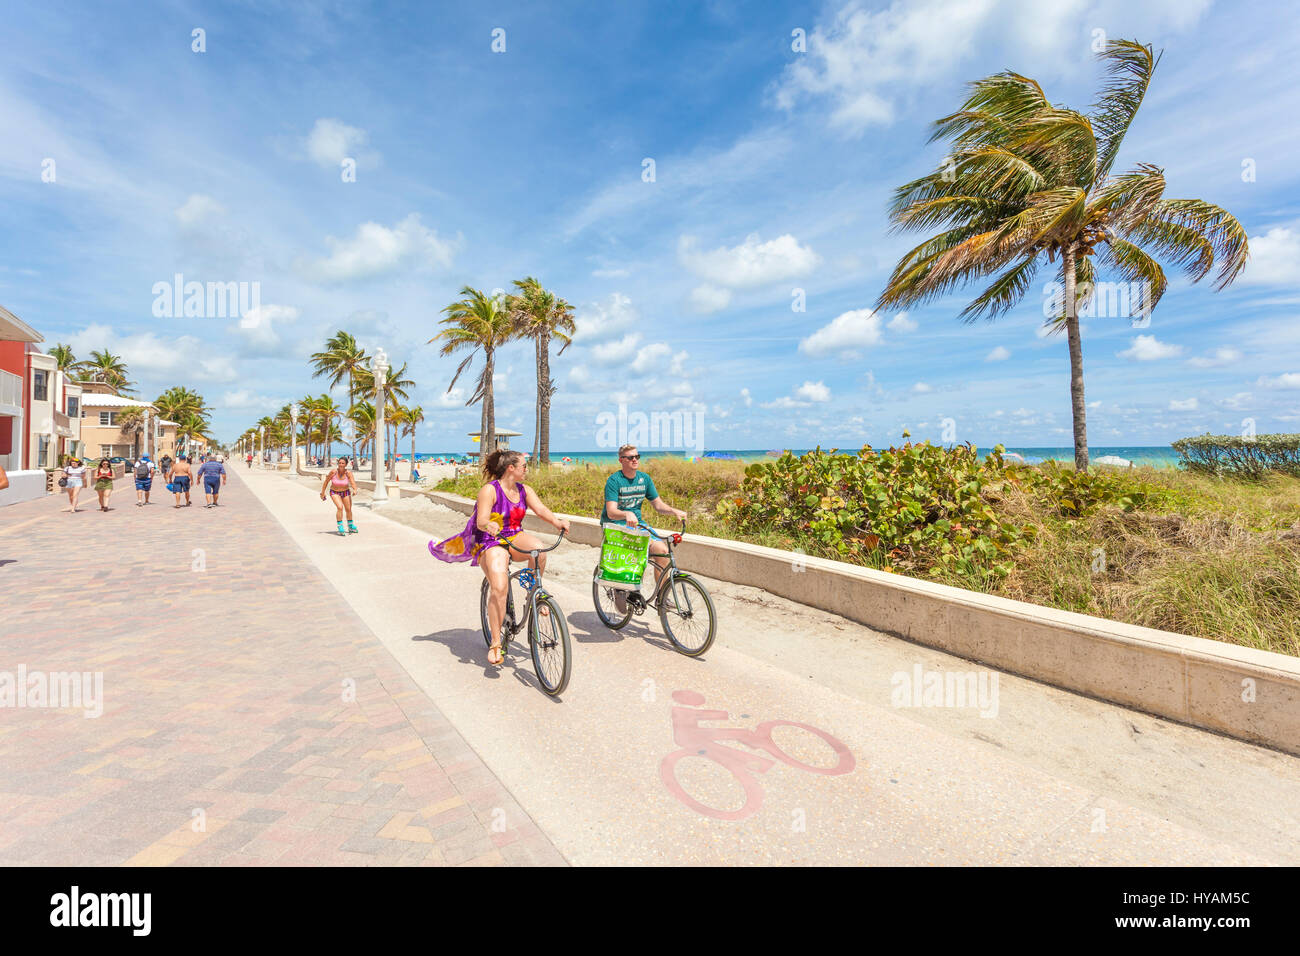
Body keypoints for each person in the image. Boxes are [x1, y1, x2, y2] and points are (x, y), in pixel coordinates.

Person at [428, 449, 570, 667]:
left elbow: (541, 509)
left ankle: (533, 595)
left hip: (514, 535)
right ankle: (496, 643)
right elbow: (481, 520)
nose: (527, 469)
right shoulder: (490, 490)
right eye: (524, 465)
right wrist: (488, 524)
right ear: (511, 468)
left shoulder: (524, 490)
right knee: (500, 586)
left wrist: (557, 521)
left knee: (539, 551)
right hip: (490, 540)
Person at [600, 444, 687, 611]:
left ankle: (662, 597)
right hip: (616, 525)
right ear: (621, 460)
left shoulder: (644, 479)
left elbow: (658, 505)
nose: (634, 460)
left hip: (638, 525)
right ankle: (620, 588)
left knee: (662, 550)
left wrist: (673, 511)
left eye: (637, 457)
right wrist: (625, 514)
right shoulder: (614, 480)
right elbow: (611, 512)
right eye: (630, 457)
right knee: (635, 555)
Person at [319, 457, 358, 535]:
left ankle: (350, 526)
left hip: (345, 492)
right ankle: (340, 526)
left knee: (348, 509)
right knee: (340, 507)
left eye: (343, 463)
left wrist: (355, 490)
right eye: (339, 463)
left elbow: (353, 482)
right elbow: (326, 482)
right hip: (334, 492)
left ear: (346, 464)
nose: (341, 465)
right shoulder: (333, 472)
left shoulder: (348, 473)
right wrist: (322, 493)